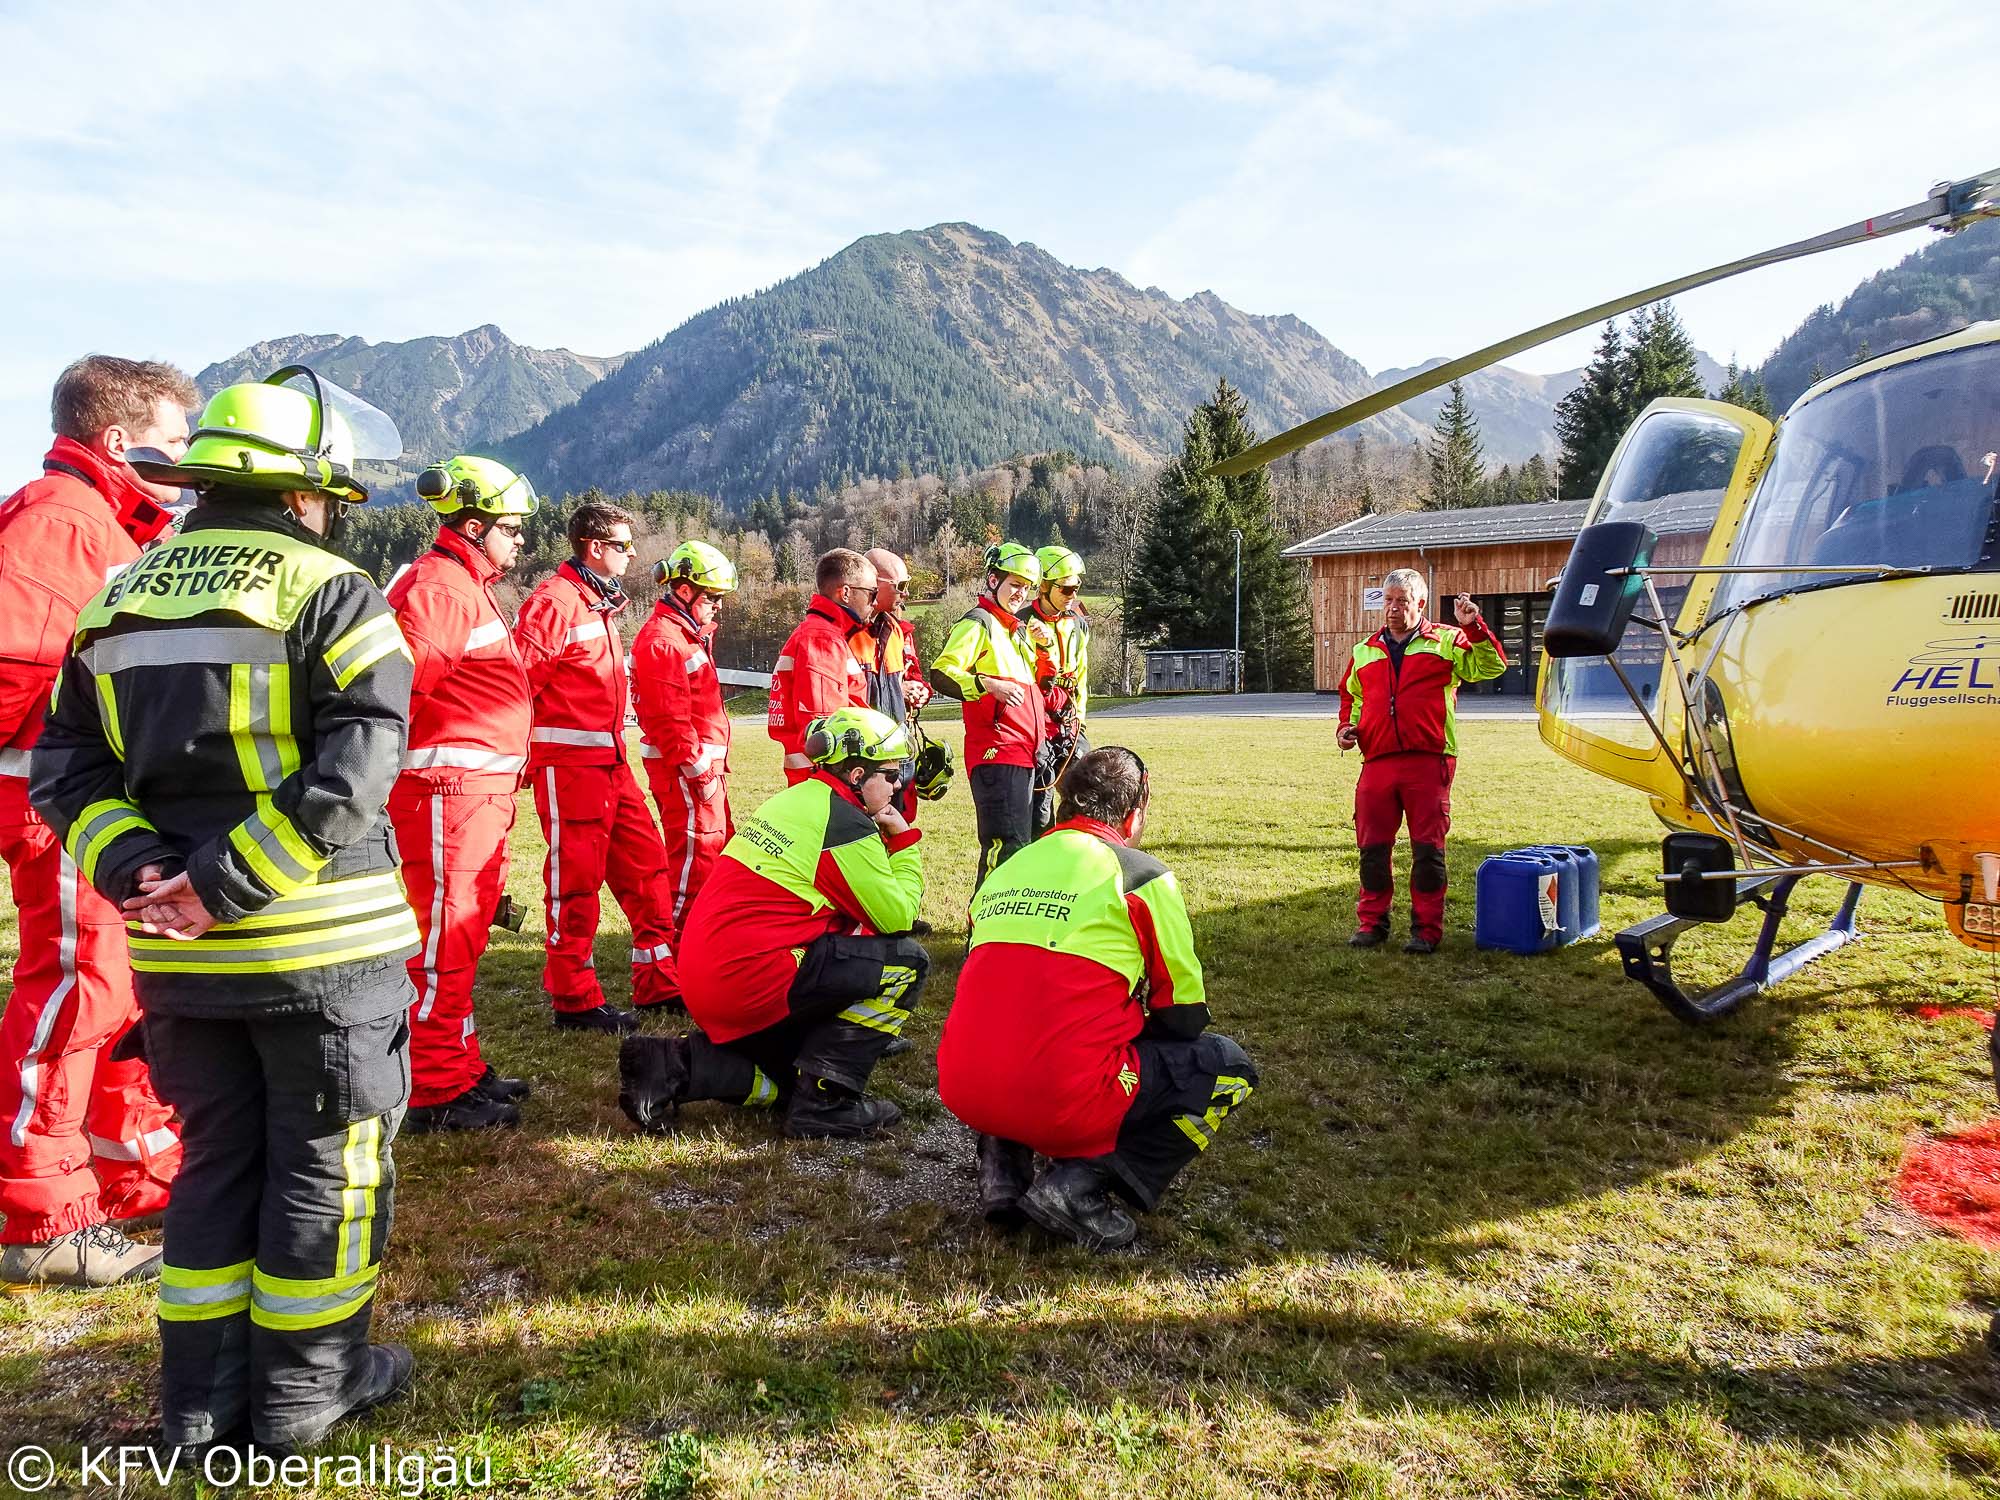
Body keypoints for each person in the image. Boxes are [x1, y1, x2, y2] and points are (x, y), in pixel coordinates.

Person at [32, 368, 420, 1451]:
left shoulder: (119, 594)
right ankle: (305, 1396)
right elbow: (359, 766)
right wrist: (223, 884)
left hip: (183, 968)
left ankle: (198, 1411)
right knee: (327, 1165)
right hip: (322, 959)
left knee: (214, 1164)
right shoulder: (335, 589)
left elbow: (64, 770)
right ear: (305, 490)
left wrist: (147, 877)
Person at [0, 355, 192, 1288]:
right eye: (176, 439)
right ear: (118, 441)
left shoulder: (99, 525)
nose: (189, 460)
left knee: (112, 993)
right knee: (76, 992)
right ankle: (41, 1215)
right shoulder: (65, 525)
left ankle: (118, 1174)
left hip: (86, 803)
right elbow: (15, 664)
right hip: (62, 804)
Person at [937, 748, 1255, 1250]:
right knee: (1227, 1066)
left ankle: (1003, 1168)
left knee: (1016, 1023)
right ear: (1134, 814)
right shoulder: (1140, 876)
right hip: (1061, 1097)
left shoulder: (1004, 870)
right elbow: (1185, 1017)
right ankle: (1078, 1186)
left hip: (964, 1086)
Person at [618, 706, 928, 1140]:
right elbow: (897, 917)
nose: (897, 785)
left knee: (785, 1084)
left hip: (714, 978)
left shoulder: (799, 799)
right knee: (907, 962)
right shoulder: (843, 822)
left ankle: (673, 1065)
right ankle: (828, 1102)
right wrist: (904, 841)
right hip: (753, 980)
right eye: (891, 774)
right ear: (858, 775)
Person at [384, 456, 539, 1133]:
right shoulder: (442, 588)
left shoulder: (463, 584)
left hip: (471, 795)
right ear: (474, 525)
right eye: (512, 529)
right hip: (447, 795)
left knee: (465, 935)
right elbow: (397, 688)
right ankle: (433, 1087)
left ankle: (460, 1064)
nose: (520, 542)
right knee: (444, 938)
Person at [514, 501, 680, 1032]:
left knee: (648, 865)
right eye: (624, 546)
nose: (633, 555)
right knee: (576, 883)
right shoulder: (554, 603)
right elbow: (520, 685)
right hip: (569, 767)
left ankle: (658, 983)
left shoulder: (596, 602)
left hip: (610, 762)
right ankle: (574, 999)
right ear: (594, 548)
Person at [1336, 568, 1505, 953]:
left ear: (1421, 604)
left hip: (1429, 760)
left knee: (1427, 850)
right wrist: (1347, 728)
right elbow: (1352, 695)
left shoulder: (1447, 640)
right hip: (1377, 761)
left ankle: (1426, 931)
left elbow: (1491, 666)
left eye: (1402, 601)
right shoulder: (1365, 650)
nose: (1393, 609)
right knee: (1373, 848)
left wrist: (1474, 626)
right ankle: (1371, 924)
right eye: (1388, 601)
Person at [632, 540, 739, 929]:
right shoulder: (664, 641)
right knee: (693, 864)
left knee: (711, 855)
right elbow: (669, 721)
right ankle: (676, 950)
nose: (719, 607)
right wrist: (701, 774)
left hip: (697, 773)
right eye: (713, 598)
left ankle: (703, 942)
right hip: (687, 775)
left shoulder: (685, 635)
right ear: (684, 591)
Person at [930, 542, 1047, 891]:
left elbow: (1038, 685)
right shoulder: (977, 623)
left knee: (1030, 846)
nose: (1020, 594)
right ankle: (981, 935)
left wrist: (1042, 648)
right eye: (1014, 585)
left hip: (1029, 753)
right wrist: (985, 684)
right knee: (1004, 847)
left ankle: (1014, 929)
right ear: (993, 581)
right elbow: (941, 672)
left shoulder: (1017, 630)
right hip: (997, 753)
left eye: (1026, 588)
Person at [766, 548, 875, 786]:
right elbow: (826, 728)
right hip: (823, 778)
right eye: (871, 594)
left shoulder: (822, 633)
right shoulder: (822, 638)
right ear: (846, 592)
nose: (873, 604)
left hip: (811, 774)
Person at [1026, 544, 1091, 836]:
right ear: (1044, 586)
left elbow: (1081, 674)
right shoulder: (1022, 622)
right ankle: (1040, 853)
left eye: (1076, 588)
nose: (1073, 596)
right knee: (1041, 798)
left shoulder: (1078, 624)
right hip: (1037, 722)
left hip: (1070, 720)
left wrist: (1082, 717)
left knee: (1084, 790)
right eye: (1065, 589)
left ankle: (1073, 848)